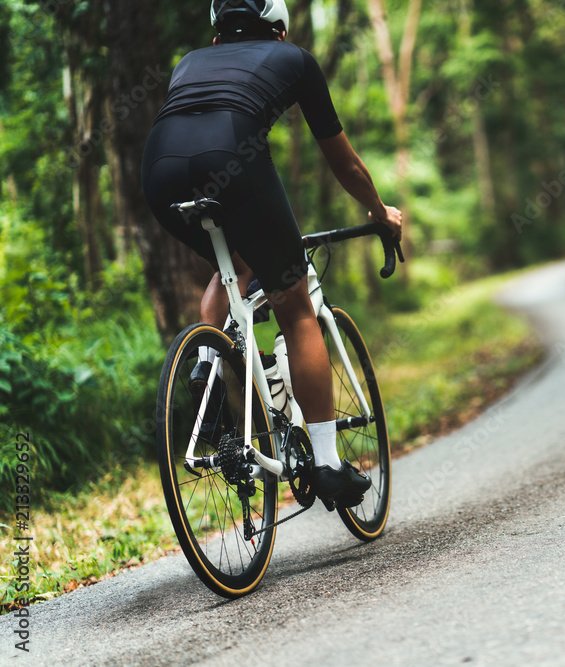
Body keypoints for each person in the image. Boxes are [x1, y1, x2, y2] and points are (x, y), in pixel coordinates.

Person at [141, 0, 402, 506]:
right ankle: (326, 465)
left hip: (158, 169)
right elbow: (345, 164)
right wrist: (379, 211)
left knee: (232, 265)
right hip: (231, 156)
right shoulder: (295, 59)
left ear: (216, 39)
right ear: (279, 32)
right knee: (293, 302)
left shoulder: (188, 63)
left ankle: (210, 362)